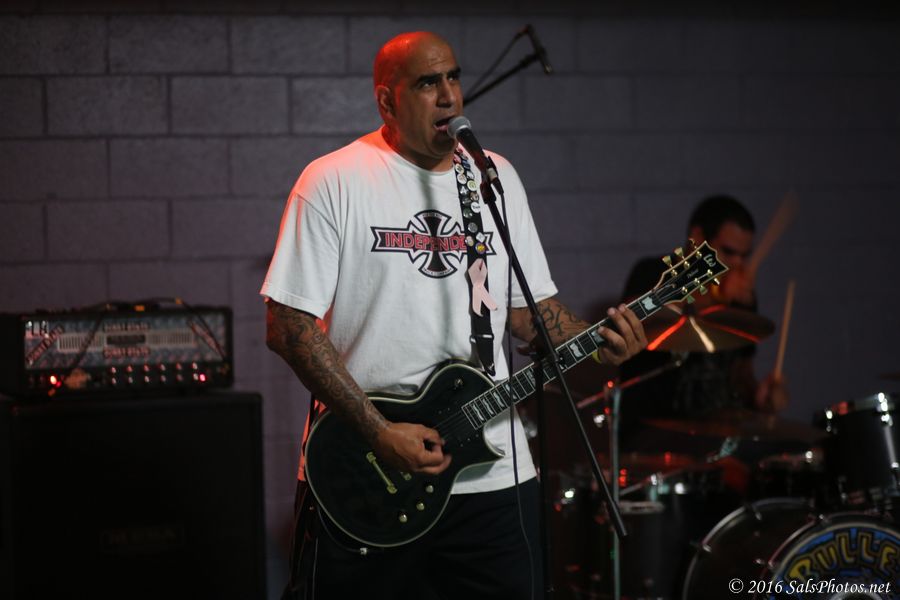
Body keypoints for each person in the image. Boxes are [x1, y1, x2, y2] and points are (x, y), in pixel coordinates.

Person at [261, 31, 647, 600]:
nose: (448, 96)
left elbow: (528, 312)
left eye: (453, 78)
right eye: (427, 83)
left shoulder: (493, 177)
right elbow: (288, 327)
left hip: (492, 476)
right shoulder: (334, 180)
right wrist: (380, 432)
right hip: (368, 475)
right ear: (387, 101)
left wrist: (599, 342)